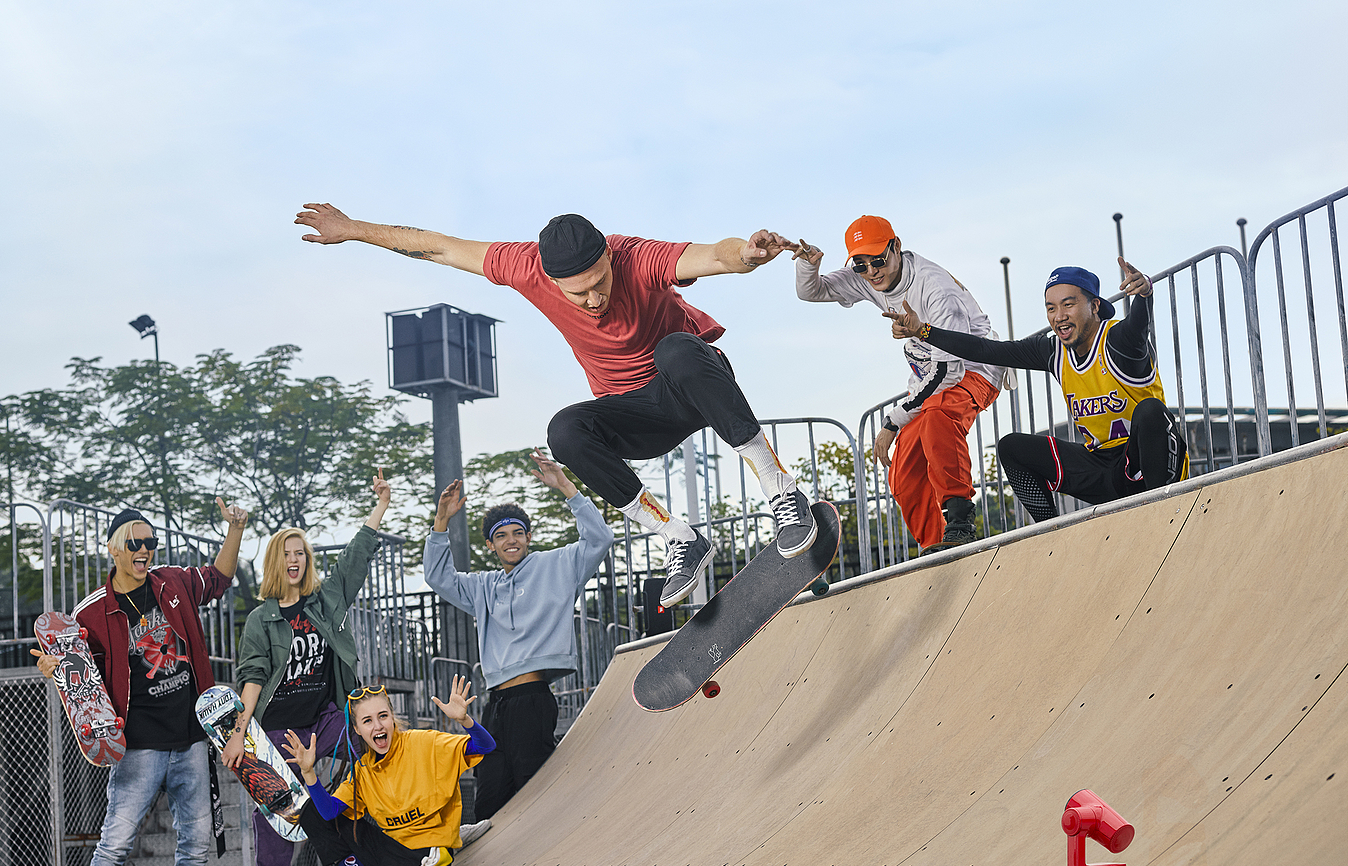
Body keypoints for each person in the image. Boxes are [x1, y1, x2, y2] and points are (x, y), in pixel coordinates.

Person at [294, 203, 816, 608]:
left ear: (610, 258)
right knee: (564, 430)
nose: (593, 300)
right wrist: (355, 229)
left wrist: (745, 255)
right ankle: (678, 537)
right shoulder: (524, 267)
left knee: (677, 349)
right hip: (634, 418)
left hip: (691, 387)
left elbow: (712, 254)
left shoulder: (636, 256)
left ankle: (781, 494)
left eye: (599, 284)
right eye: (578, 293)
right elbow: (438, 248)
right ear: (550, 279)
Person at [33, 498, 248, 866]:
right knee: (115, 842)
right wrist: (54, 668)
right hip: (138, 748)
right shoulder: (91, 612)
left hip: (191, 736)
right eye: (135, 542)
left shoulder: (172, 583)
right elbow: (75, 672)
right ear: (113, 548)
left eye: (150, 542)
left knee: (194, 839)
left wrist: (233, 529)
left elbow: (218, 577)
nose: (145, 549)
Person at [207, 678, 494, 866]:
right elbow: (329, 813)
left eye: (383, 717)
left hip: (423, 858)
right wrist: (309, 776)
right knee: (309, 811)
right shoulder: (364, 770)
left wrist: (465, 720)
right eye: (368, 721)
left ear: (393, 719)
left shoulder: (424, 743)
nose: (378, 726)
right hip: (387, 851)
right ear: (356, 729)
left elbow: (485, 746)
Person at [883, 259, 1188, 522]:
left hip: (1149, 465)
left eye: (1069, 304)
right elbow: (986, 350)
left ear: (1095, 306)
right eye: (1051, 308)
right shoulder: (1052, 351)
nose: (1059, 316)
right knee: (1012, 447)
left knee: (1149, 412)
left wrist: (1145, 294)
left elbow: (1138, 327)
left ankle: (1160, 509)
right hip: (1103, 470)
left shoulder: (1118, 340)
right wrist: (923, 331)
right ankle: (1050, 533)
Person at [225, 471, 392, 866]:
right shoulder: (261, 620)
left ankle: (400, 833)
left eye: (301, 554)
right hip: (278, 729)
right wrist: (240, 735)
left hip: (324, 718)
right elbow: (254, 677)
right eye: (287, 555)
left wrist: (380, 505)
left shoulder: (326, 601)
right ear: (275, 564)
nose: (295, 561)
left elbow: (356, 558)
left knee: (373, 738)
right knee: (276, 812)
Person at [790, 216, 1007, 553]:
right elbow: (811, 291)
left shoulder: (935, 290)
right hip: (930, 376)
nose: (873, 272)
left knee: (938, 414)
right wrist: (808, 265)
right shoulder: (867, 278)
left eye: (878, 260)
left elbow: (949, 372)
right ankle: (935, 547)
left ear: (897, 247)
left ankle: (961, 523)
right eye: (861, 265)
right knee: (904, 474)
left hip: (974, 368)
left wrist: (893, 420)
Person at [425, 450, 613, 820]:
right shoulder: (483, 587)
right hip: (495, 705)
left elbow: (599, 540)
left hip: (532, 699)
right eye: (501, 536)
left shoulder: (556, 566)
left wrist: (567, 489)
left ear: (527, 537)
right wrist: (441, 521)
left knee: (534, 791)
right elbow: (438, 578)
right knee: (490, 794)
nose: (511, 541)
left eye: (517, 533)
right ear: (491, 545)